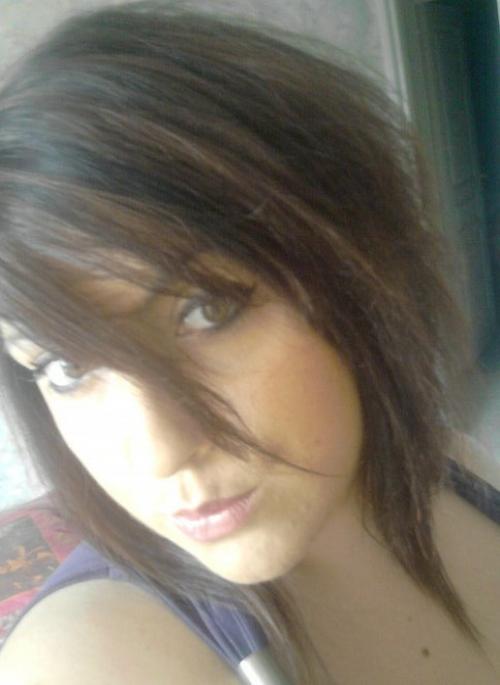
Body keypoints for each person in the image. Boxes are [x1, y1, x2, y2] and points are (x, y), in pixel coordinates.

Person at [0, 2, 499, 683]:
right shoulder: (91, 658)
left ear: (357, 270)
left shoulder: (454, 464)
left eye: (207, 311)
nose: (160, 453)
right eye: (65, 367)